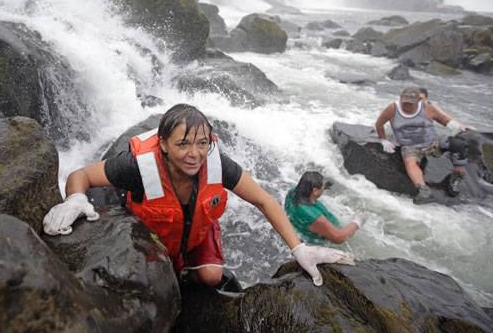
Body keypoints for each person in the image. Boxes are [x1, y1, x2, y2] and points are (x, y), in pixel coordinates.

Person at [43, 104, 354, 287]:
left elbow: (263, 200)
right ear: (163, 143)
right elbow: (80, 175)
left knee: (210, 277)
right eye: (183, 145)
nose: (194, 155)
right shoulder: (137, 166)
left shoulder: (219, 165)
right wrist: (75, 199)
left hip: (197, 227)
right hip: (152, 232)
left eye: (202, 144)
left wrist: (299, 248)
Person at [375, 87, 469, 202]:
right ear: (400, 99)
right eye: (405, 102)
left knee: (458, 145)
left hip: (432, 143)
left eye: (411, 103)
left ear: (418, 101)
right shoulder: (392, 108)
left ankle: (457, 177)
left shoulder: (427, 107)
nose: (407, 105)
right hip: (410, 146)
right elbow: (379, 124)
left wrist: (454, 125)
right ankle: (424, 190)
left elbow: (444, 120)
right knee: (410, 163)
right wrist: (384, 140)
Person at [285, 171, 366, 244]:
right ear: (315, 191)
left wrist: (323, 186)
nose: (324, 189)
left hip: (301, 229)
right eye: (323, 187)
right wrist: (357, 222)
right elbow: (339, 238)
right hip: (318, 242)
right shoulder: (313, 216)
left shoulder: (293, 193)